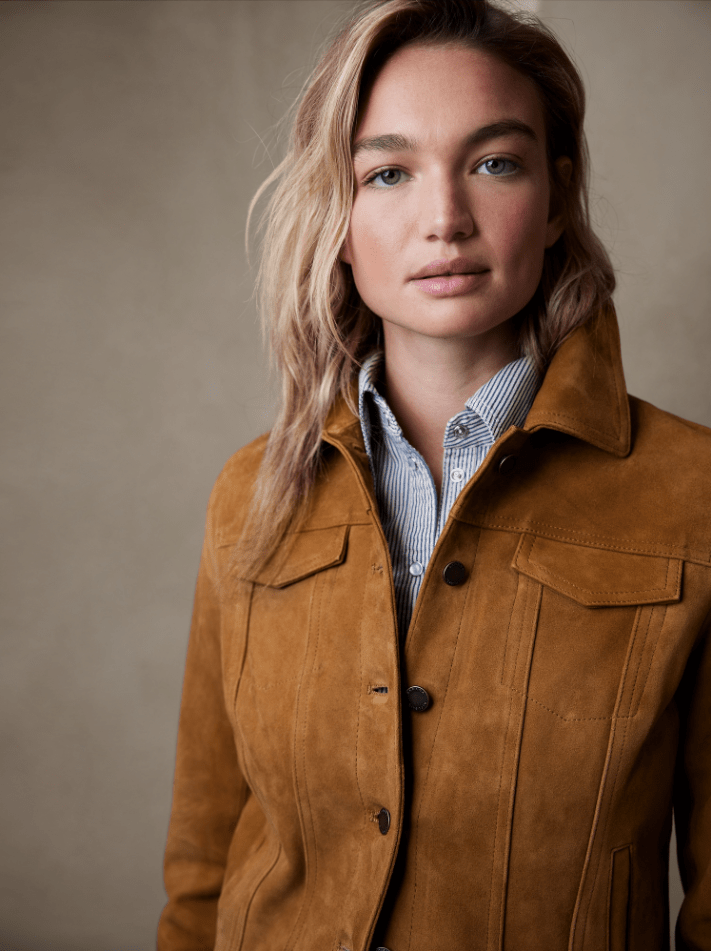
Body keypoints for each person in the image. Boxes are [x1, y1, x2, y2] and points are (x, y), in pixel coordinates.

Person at [158, 1, 711, 948]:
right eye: (387, 173)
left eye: (494, 162)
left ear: (553, 199)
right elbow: (204, 869)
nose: (444, 219)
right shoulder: (249, 496)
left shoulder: (692, 493)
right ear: (336, 215)